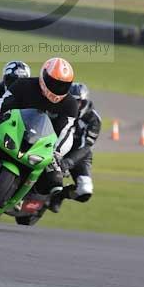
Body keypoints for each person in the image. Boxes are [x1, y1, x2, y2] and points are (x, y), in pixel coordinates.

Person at [0, 57, 78, 199]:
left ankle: (25, 196)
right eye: (53, 83)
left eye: (62, 85)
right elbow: (2, 102)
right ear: (43, 76)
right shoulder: (24, 85)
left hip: (39, 143)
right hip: (11, 127)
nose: (57, 88)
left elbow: (66, 132)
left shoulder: (71, 104)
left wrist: (57, 153)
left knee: (54, 182)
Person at [49, 82, 101, 212]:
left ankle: (61, 195)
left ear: (84, 102)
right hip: (55, 145)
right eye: (71, 100)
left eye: (78, 102)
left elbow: (86, 146)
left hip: (79, 155)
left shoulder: (93, 119)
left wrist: (69, 161)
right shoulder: (58, 108)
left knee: (85, 191)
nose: (75, 105)